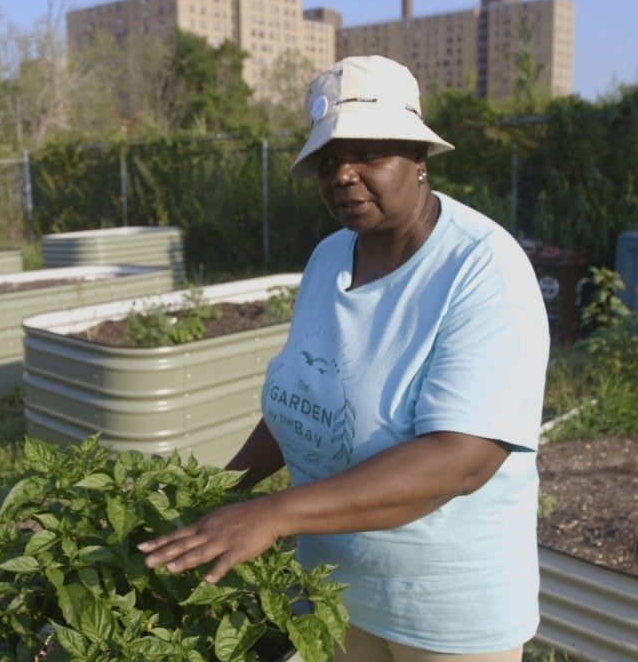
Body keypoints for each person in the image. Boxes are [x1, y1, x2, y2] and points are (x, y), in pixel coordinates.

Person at [137, 55, 550, 661]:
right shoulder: (331, 255)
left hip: (442, 610)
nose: (345, 175)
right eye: (329, 161)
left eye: (369, 153)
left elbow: (461, 460)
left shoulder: (482, 268)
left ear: (419, 158)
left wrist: (273, 514)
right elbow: (304, 400)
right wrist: (219, 495)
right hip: (329, 591)